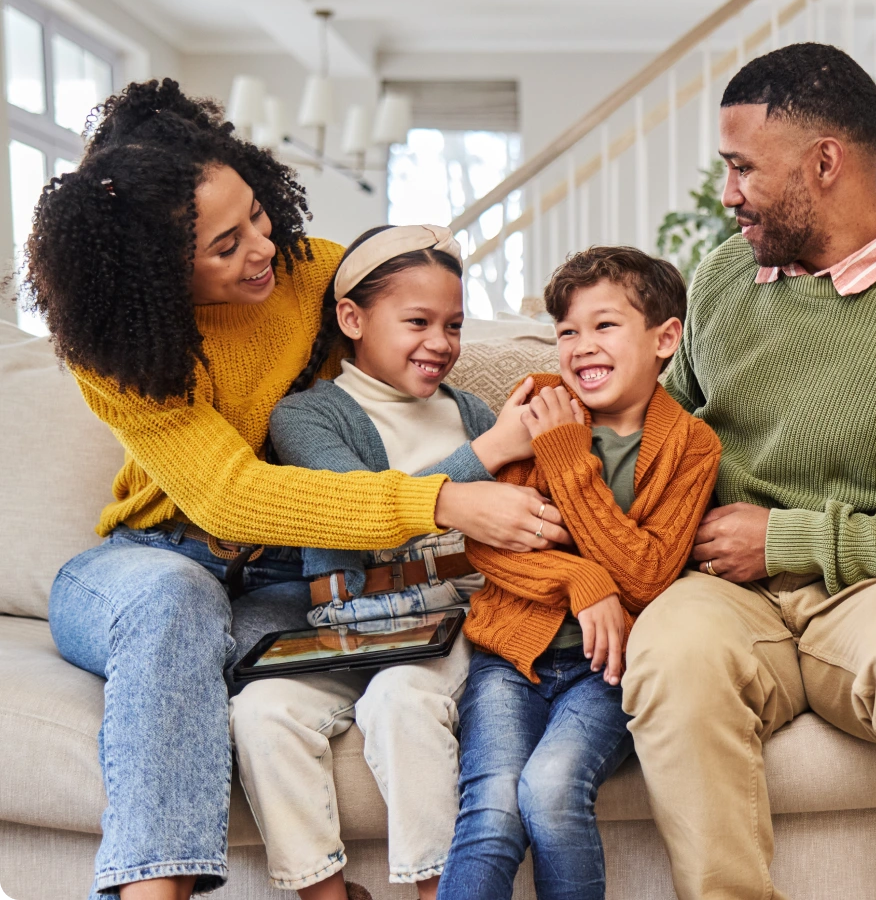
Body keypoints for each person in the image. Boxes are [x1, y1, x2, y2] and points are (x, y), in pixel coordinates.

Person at [21, 80, 569, 900]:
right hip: (150, 563)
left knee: (343, 644)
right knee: (175, 606)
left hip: (282, 586)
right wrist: (444, 501)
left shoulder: (313, 276)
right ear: (152, 270)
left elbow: (398, 322)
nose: (262, 248)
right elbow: (230, 497)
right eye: (224, 243)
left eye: (257, 214)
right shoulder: (117, 345)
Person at [620, 43, 876, 900]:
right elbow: (672, 428)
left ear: (825, 163)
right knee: (669, 654)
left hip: (869, 595)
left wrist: (789, 538)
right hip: (726, 590)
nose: (726, 194)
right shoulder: (725, 275)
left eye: (741, 168)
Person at [230, 223, 538, 900]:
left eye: (454, 325)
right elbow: (358, 514)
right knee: (259, 711)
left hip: (449, 626)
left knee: (401, 699)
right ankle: (328, 895)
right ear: (353, 318)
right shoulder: (305, 418)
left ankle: (436, 890)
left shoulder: (474, 411)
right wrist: (485, 459)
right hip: (347, 626)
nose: (442, 344)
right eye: (418, 321)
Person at [436, 247, 722, 900]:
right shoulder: (538, 403)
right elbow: (492, 542)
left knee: (551, 788)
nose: (581, 346)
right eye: (567, 330)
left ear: (665, 339)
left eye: (604, 326)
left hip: (612, 669)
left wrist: (567, 459)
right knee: (493, 812)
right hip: (509, 657)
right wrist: (579, 580)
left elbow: (648, 576)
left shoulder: (692, 448)